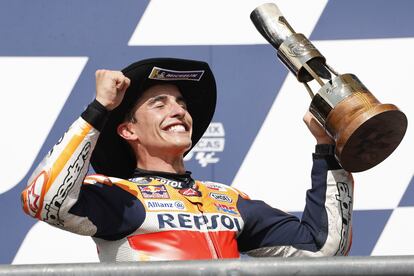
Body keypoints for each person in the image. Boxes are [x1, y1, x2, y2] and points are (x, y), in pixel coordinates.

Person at [21, 58, 353, 261]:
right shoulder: (118, 197)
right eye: (159, 104)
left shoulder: (227, 200)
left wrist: (328, 149)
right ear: (127, 131)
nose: (179, 110)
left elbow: (322, 248)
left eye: (181, 103)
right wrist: (99, 108)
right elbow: (43, 199)